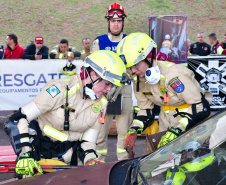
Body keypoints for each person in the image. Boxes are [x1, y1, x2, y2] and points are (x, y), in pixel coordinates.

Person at [4, 50, 127, 176]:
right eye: (107, 83)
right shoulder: (60, 89)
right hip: (38, 157)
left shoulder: (101, 104)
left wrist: (90, 160)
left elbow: (88, 141)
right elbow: (19, 118)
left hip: (69, 163)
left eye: (112, 86)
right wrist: (24, 154)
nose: (108, 89)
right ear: (93, 74)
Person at [116, 32, 211, 153]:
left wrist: (177, 130)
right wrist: (135, 128)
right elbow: (145, 110)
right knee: (164, 165)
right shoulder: (139, 80)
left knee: (192, 163)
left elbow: (200, 107)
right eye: (129, 67)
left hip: (191, 124)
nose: (133, 70)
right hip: (166, 123)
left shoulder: (173, 76)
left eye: (136, 64)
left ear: (149, 57)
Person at [93, 3, 133, 161]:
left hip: (124, 91)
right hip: (104, 92)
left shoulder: (130, 42)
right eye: (113, 20)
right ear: (108, 22)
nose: (116, 23)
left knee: (124, 132)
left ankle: (123, 167)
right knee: (100, 133)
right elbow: (92, 68)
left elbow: (135, 66)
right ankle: (97, 165)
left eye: (119, 20)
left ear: (123, 22)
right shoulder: (100, 42)